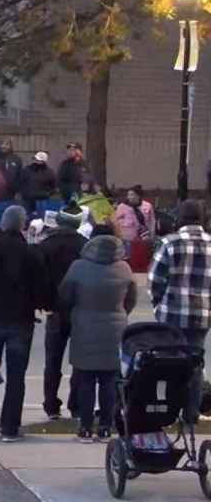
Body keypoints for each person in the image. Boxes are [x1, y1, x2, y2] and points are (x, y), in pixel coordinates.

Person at [0, 205, 46, 442]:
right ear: (22, 224)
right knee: (16, 376)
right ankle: (10, 427)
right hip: (20, 320)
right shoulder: (30, 253)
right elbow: (41, 288)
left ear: (2, 223)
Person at [59, 233, 136, 442]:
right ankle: (105, 426)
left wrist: (73, 313)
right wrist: (120, 313)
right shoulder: (124, 269)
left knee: (85, 378)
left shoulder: (78, 267)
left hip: (84, 325)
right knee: (109, 380)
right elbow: (131, 299)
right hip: (115, 328)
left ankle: (84, 426)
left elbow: (65, 296)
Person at [149, 200, 211, 423]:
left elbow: (155, 280)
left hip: (172, 314)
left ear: (179, 218)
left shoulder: (169, 243)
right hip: (202, 316)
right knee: (195, 364)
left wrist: (158, 305)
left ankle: (169, 409)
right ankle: (191, 411)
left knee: (169, 363)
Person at [37, 209, 87, 421]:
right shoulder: (85, 245)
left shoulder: (46, 245)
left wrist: (43, 302)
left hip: (55, 309)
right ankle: (75, 404)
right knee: (79, 360)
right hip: (80, 308)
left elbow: (38, 275)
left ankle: (51, 405)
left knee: (53, 361)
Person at [114, 185, 155, 256]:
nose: (129, 197)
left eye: (131, 195)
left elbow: (152, 221)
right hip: (127, 239)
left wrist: (152, 235)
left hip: (144, 238)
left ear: (138, 196)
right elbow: (116, 221)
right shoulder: (122, 207)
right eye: (128, 195)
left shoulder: (147, 206)